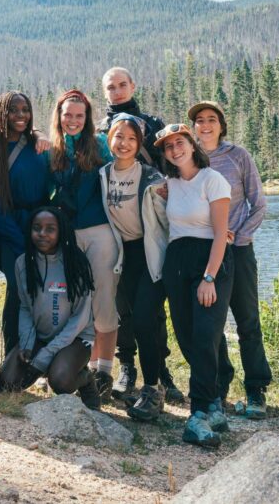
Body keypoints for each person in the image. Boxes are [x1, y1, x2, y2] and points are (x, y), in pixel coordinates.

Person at [96, 66, 181, 405]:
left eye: (121, 85)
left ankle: (160, 374)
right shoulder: (100, 131)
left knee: (152, 311)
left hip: (154, 233)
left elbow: (173, 162)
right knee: (123, 308)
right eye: (110, 87)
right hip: (118, 240)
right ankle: (127, 366)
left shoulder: (154, 126)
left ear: (133, 85)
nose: (116, 91)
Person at [190, 101, 271, 420]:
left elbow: (259, 204)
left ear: (221, 125)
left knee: (248, 320)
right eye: (199, 120)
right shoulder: (190, 159)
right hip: (204, 252)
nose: (205, 125)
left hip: (237, 251)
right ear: (193, 127)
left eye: (211, 119)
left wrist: (237, 235)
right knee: (212, 324)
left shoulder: (238, 156)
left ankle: (256, 390)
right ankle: (219, 384)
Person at [156, 123, 232, 447]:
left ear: (192, 144)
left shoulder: (213, 180)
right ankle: (214, 401)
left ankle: (197, 415)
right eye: (169, 146)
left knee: (205, 335)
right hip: (176, 261)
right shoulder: (169, 184)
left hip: (209, 261)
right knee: (188, 337)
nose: (175, 149)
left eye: (180, 142)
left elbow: (221, 234)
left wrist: (209, 277)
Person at [47, 89, 120, 400]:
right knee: (73, 302)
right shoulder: (51, 149)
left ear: (87, 118)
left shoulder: (101, 145)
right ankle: (81, 369)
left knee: (104, 300)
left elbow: (125, 172)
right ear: (59, 117)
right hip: (68, 236)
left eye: (79, 115)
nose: (73, 120)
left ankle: (104, 371)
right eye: (68, 115)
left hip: (100, 231)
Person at [0, 207, 101, 409]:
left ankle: (86, 379)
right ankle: (48, 361)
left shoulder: (76, 263)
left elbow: (80, 318)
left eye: (50, 229)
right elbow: (26, 308)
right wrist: (27, 346)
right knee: (8, 383)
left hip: (75, 339)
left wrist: (46, 354)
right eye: (37, 228)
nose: (42, 234)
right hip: (40, 336)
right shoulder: (23, 263)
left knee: (61, 381)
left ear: (61, 231)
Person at [0, 91, 49, 353]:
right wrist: (20, 242)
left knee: (44, 294)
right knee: (18, 293)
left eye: (25, 109)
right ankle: (11, 357)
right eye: (13, 110)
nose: (20, 115)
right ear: (2, 114)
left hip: (43, 231)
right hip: (11, 235)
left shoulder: (38, 146)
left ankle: (41, 356)